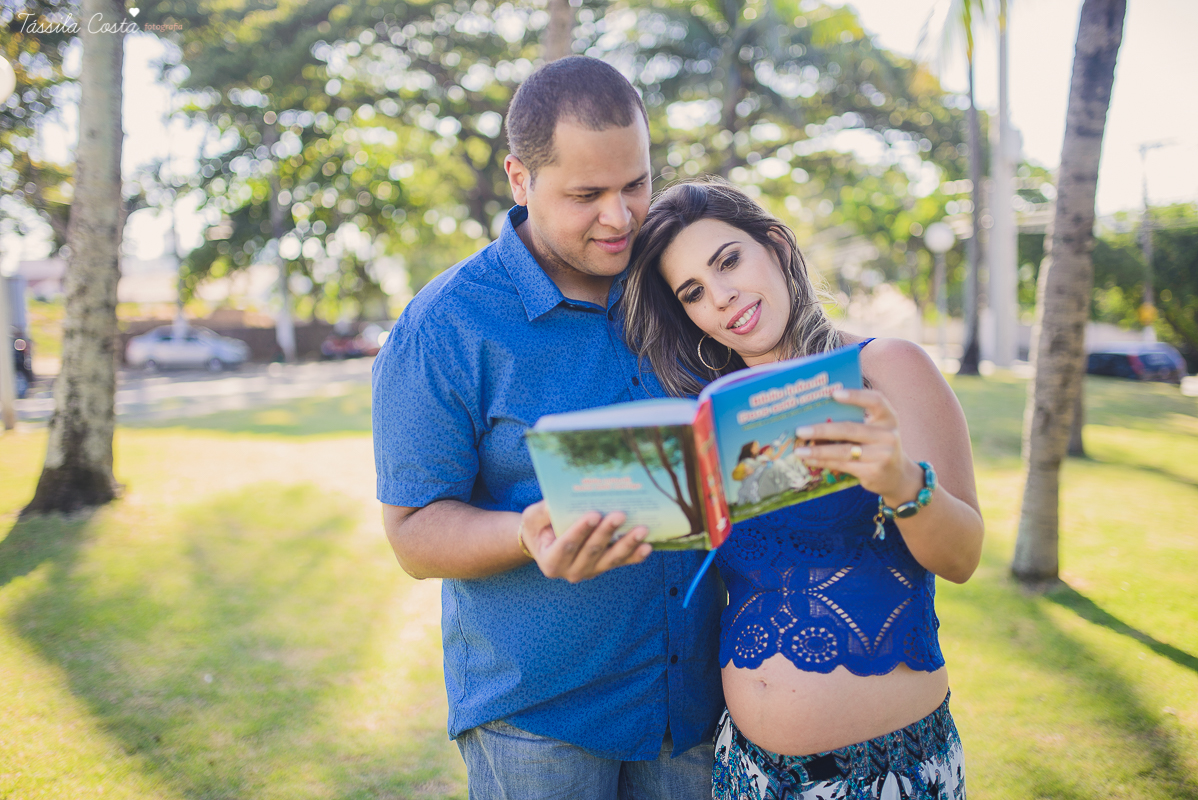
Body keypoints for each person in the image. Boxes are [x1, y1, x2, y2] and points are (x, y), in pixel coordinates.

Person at [371, 57, 724, 798]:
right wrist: (526, 532)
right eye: (587, 195)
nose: (621, 217)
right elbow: (412, 531)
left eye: (636, 184)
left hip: (695, 707)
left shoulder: (682, 282)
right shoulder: (443, 328)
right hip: (540, 724)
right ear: (520, 179)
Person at [623, 180, 984, 799]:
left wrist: (900, 481)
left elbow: (962, 556)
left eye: (729, 260)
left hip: (884, 772)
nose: (722, 297)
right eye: (693, 293)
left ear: (777, 247)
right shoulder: (709, 426)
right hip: (745, 771)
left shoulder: (886, 367)